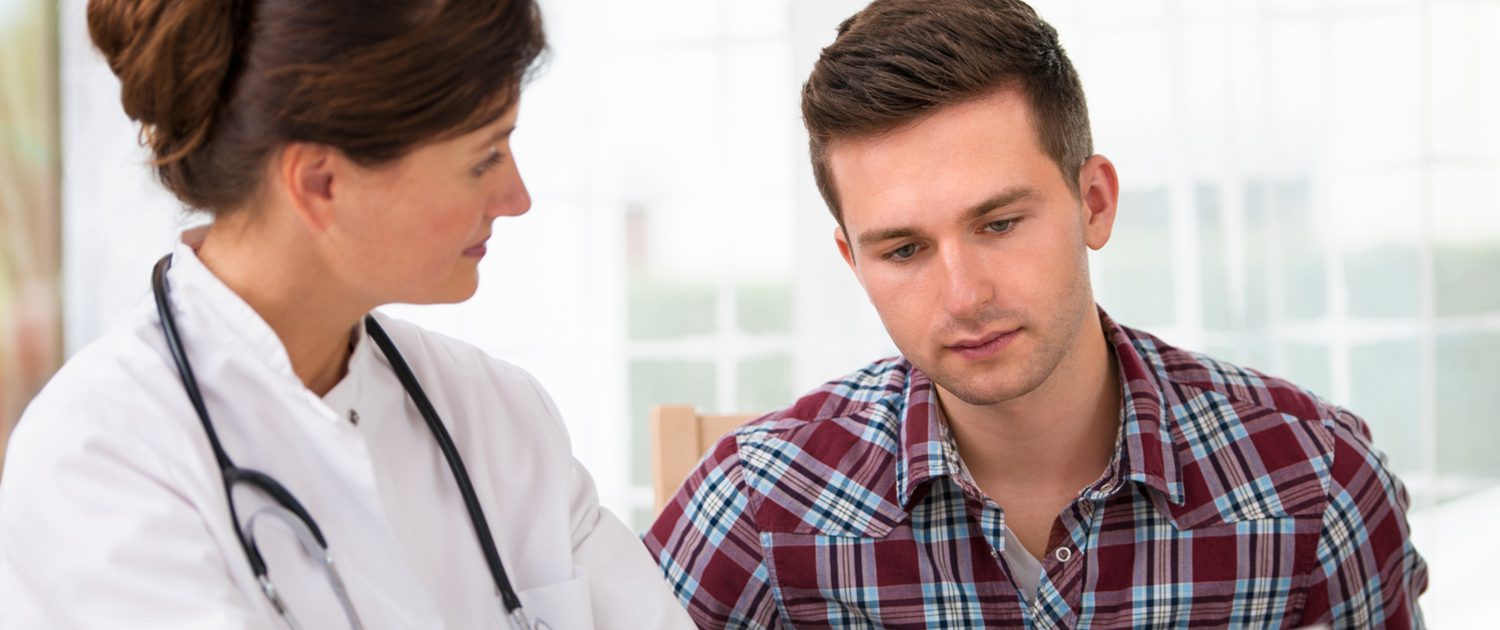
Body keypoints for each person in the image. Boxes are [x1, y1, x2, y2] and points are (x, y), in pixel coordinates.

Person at [645, 0, 1428, 628]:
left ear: (1094, 202)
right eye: (905, 250)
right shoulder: (758, 504)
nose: (964, 296)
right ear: (855, 263)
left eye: (999, 224)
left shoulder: (1314, 484)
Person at [0, 1, 692, 628]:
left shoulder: (498, 415)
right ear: (320, 183)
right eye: (484, 158)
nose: (517, 197)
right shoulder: (101, 460)